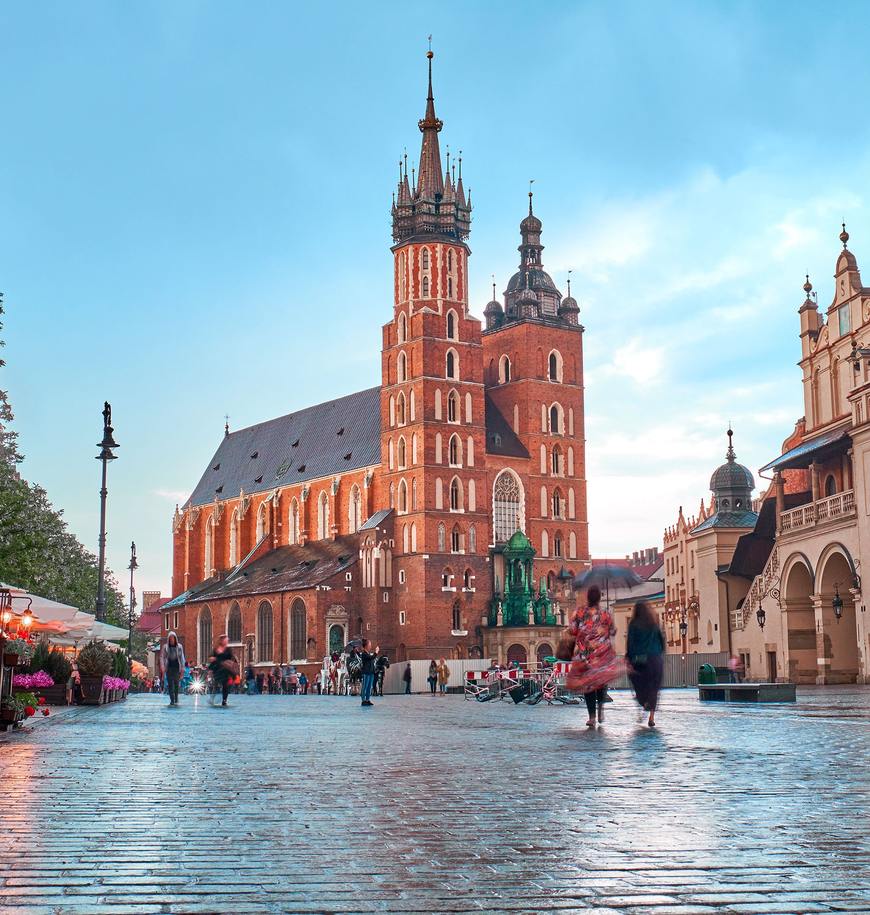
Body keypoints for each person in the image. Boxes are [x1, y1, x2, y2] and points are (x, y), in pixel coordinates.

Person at [567, 586, 622, 727]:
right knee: (601, 682)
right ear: (599, 598)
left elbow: (572, 630)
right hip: (602, 653)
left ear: (588, 597)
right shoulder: (605, 613)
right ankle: (600, 710)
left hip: (586, 654)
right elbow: (613, 631)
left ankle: (591, 717)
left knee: (589, 685)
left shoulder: (579, 612)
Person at [626, 600, 666, 728]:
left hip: (640, 660)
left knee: (639, 685)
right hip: (656, 660)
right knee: (654, 688)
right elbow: (662, 640)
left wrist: (629, 657)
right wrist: (660, 653)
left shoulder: (633, 624)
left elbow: (630, 643)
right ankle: (651, 717)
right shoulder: (654, 624)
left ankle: (644, 703)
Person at [208, 635, 237, 707]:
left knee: (225, 685)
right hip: (217, 669)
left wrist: (232, 665)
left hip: (225, 669)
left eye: (227, 640)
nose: (227, 642)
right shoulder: (216, 649)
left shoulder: (228, 650)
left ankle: (224, 700)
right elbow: (211, 659)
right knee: (216, 684)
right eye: (226, 640)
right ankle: (212, 698)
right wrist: (210, 667)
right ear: (221, 640)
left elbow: (232, 658)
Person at [160, 631, 186, 707]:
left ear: (175, 639)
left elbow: (182, 658)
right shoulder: (165, 647)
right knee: (170, 684)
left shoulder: (179, 647)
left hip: (177, 667)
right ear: (168, 639)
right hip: (169, 667)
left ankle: (176, 698)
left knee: (176, 684)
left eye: (173, 638)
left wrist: (183, 669)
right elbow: (162, 657)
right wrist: (162, 666)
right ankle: (172, 700)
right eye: (170, 638)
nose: (172, 640)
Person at [359, 640, 376, 707]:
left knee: (369, 687)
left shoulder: (368, 653)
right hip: (366, 672)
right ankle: (363, 700)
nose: (370, 646)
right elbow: (371, 658)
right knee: (365, 686)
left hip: (371, 672)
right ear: (366, 646)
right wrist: (376, 652)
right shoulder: (364, 654)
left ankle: (367, 699)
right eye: (370, 644)